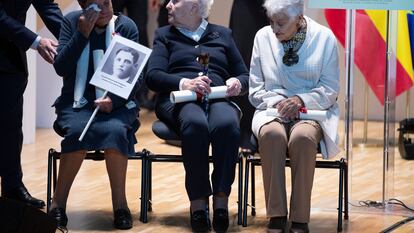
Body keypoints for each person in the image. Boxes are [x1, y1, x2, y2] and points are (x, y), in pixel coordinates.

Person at [146, 0, 249, 232]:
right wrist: (185, 83)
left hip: (217, 97)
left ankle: (221, 199)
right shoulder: (164, 35)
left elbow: (243, 74)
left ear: (194, 7)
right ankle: (198, 203)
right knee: (195, 123)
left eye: (175, 1)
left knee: (227, 124)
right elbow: (152, 75)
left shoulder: (222, 34)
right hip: (179, 99)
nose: (168, 6)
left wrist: (235, 83)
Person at [249, 0, 340, 232]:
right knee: (271, 135)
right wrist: (279, 102)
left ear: (299, 18)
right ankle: (276, 215)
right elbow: (255, 89)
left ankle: (300, 218)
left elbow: (330, 89)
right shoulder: (262, 37)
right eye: (271, 22)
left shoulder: (325, 38)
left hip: (312, 110)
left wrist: (300, 101)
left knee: (302, 138)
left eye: (281, 23)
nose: (274, 29)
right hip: (272, 109)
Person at [48, 0, 140, 230]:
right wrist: (82, 34)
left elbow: (136, 77)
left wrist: (115, 101)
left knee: (116, 131)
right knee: (79, 131)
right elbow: (61, 67)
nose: (106, 9)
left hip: (117, 102)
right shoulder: (71, 22)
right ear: (85, 7)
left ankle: (121, 205)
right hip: (77, 102)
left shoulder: (126, 26)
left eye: (107, 2)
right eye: (98, 5)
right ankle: (57, 205)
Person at [0, 0, 62, 209]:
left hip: (10, 60)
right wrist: (36, 42)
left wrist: (80, 38)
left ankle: (12, 188)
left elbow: (47, 7)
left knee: (11, 129)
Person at [229, 0, 268, 152]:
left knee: (276, 59)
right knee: (246, 58)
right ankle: (246, 131)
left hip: (277, 4)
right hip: (248, 7)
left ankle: (273, 131)